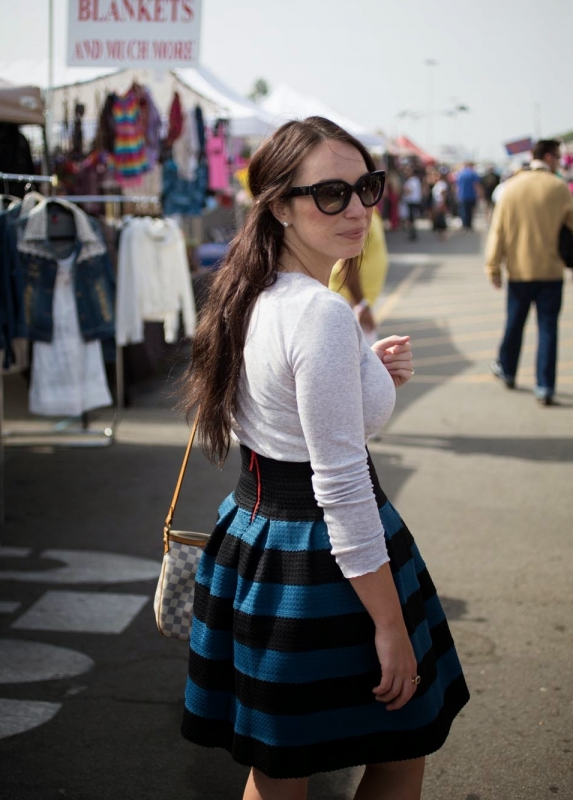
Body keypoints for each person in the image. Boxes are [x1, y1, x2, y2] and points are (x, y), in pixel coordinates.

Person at [179, 116, 469, 800]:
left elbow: (285, 410)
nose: (360, 209)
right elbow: (339, 484)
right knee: (401, 749)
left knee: (280, 770)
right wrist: (390, 624)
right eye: (330, 194)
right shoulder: (319, 313)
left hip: (256, 539)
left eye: (366, 187)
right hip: (325, 561)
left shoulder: (252, 289)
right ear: (279, 204)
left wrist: (367, 371)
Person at [485, 139, 573, 405]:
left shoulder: (510, 188)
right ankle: (544, 386)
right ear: (548, 157)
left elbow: (497, 231)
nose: (559, 161)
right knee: (548, 330)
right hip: (551, 271)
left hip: (519, 271)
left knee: (514, 324)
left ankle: (508, 371)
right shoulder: (559, 188)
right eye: (557, 156)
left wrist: (493, 266)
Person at [329, 207, 389, 344]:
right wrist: (361, 305)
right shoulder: (360, 217)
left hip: (356, 303)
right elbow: (347, 262)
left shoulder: (372, 212)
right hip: (350, 302)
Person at [455, 161, 481, 230]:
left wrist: (457, 194)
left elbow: (457, 186)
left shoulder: (460, 174)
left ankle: (465, 224)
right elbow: (476, 185)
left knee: (464, 211)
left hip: (462, 195)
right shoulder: (473, 174)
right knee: (470, 211)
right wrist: (479, 194)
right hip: (471, 195)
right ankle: (469, 225)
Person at [402, 165, 423, 240]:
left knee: (411, 219)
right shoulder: (415, 180)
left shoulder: (412, 180)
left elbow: (409, 191)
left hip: (412, 201)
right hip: (413, 201)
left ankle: (413, 234)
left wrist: (404, 190)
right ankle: (412, 233)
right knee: (412, 219)